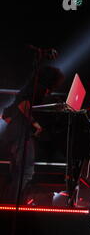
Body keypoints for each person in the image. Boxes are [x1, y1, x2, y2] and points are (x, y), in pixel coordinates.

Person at [1, 66, 64, 204]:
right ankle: (15, 204)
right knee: (26, 172)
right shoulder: (37, 89)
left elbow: (6, 114)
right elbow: (23, 105)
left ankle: (12, 203)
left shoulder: (31, 87)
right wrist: (35, 124)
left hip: (16, 133)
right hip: (20, 134)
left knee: (19, 172)